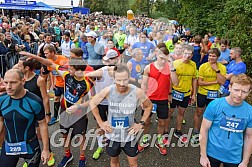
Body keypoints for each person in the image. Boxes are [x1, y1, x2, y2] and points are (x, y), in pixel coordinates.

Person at [19, 51, 93, 167]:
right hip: (64, 111)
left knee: (80, 137)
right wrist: (34, 57)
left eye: (71, 69)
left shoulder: (87, 83)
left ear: (79, 71)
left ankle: (82, 158)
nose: (68, 70)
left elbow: (93, 100)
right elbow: (50, 63)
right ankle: (68, 155)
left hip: (79, 114)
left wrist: (78, 106)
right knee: (64, 134)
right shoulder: (66, 75)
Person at [89, 63, 153, 167]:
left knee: (133, 164)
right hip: (112, 136)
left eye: (125, 80)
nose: (122, 83)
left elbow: (149, 106)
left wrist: (141, 123)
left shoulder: (136, 92)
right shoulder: (108, 90)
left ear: (129, 78)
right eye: (118, 80)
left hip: (129, 136)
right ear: (113, 78)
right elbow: (93, 102)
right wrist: (100, 122)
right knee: (114, 162)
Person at [200, 74, 252, 167]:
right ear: (230, 87)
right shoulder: (214, 105)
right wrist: (203, 155)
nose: (239, 95)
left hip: (234, 157)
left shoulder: (250, 111)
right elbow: (204, 129)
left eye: (244, 91)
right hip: (212, 153)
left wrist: (245, 161)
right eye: (236, 90)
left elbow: (249, 137)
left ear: (249, 92)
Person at [0, 69, 50, 167]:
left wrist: (46, 149)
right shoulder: (1, 100)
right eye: (6, 82)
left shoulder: (34, 101)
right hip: (9, 146)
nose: (8, 87)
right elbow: (1, 122)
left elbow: (43, 124)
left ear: (23, 81)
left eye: (13, 82)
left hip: (30, 146)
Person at [139, 44, 179, 155]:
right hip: (150, 99)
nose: (162, 61)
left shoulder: (170, 67)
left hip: (163, 99)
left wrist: (172, 67)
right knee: (146, 121)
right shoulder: (149, 67)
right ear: (156, 55)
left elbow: (176, 82)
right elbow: (144, 84)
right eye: (161, 58)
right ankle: (145, 138)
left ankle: (159, 140)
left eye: (165, 59)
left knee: (162, 122)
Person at [85, 49, 119, 160]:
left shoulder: (120, 71)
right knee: (100, 125)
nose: (108, 62)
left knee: (114, 123)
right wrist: (94, 86)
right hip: (101, 103)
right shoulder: (102, 71)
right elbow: (88, 75)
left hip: (114, 103)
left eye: (110, 60)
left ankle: (112, 143)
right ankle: (100, 146)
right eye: (107, 60)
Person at [191, 48, 226, 144]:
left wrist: (217, 71)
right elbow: (200, 83)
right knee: (199, 111)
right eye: (210, 55)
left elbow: (222, 82)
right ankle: (196, 130)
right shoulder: (203, 66)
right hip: (203, 93)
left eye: (213, 56)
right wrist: (215, 81)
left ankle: (210, 131)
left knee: (213, 113)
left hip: (214, 94)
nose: (211, 57)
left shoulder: (222, 68)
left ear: (218, 57)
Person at [168, 45, 197, 143]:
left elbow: (194, 79)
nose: (187, 56)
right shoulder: (175, 64)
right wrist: (169, 93)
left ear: (192, 55)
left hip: (186, 94)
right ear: (182, 53)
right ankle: (165, 132)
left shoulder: (193, 65)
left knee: (181, 113)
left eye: (189, 54)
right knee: (169, 112)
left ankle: (178, 131)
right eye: (185, 53)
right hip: (175, 92)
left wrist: (194, 94)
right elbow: (169, 80)